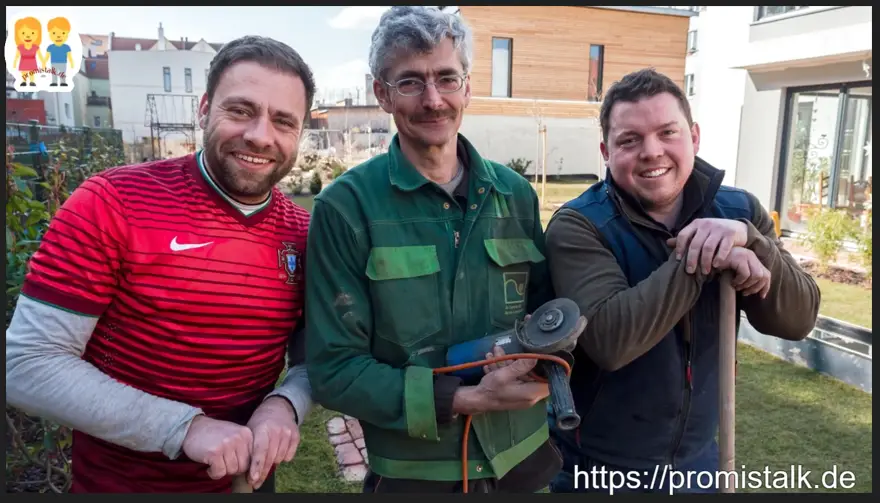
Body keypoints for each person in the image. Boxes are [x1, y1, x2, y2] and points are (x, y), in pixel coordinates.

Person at [6, 35, 317, 493]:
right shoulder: (111, 202)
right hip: (119, 485)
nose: (260, 135)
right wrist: (184, 427)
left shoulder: (305, 234)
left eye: (283, 121)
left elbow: (317, 357)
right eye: (241, 110)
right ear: (205, 108)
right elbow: (28, 364)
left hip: (246, 482)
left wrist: (286, 403)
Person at [305, 6, 562, 494]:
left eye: (447, 78)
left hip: (521, 459)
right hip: (415, 472)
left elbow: (548, 318)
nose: (433, 100)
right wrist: (465, 399)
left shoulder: (515, 195)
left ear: (467, 86)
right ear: (381, 93)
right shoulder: (346, 208)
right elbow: (334, 368)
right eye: (410, 82)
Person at [543, 68, 821, 494]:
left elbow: (798, 320)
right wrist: (705, 253)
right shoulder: (581, 226)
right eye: (629, 140)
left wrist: (754, 242)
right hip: (599, 469)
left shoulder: (739, 210)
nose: (651, 152)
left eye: (667, 132)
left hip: (701, 464)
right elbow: (611, 341)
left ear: (694, 136)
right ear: (606, 150)